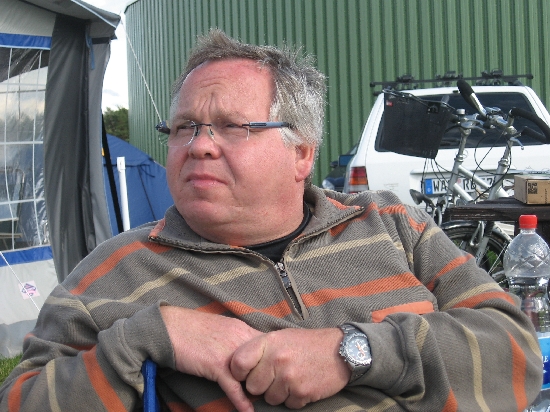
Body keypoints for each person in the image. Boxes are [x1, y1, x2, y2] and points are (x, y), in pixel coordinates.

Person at [0, 29, 543, 412]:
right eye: (185, 127)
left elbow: (517, 352)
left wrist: (352, 352)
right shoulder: (113, 274)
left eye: (232, 126)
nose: (199, 146)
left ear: (301, 153)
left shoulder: (394, 227)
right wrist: (148, 336)